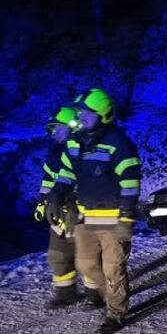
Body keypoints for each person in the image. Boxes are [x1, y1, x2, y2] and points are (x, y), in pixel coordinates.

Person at [46, 88, 141, 332]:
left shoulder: (118, 143)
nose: (81, 118)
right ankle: (110, 294)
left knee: (113, 268)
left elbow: (130, 183)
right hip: (87, 217)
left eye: (87, 114)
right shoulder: (76, 143)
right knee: (86, 264)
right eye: (80, 114)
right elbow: (66, 174)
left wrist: (126, 217)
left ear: (104, 115)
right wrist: (55, 196)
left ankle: (115, 314)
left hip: (114, 218)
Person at [35, 107, 80, 308]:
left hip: (81, 211)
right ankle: (66, 294)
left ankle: (97, 294)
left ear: (71, 128)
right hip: (58, 211)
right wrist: (42, 202)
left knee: (90, 256)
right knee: (57, 254)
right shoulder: (54, 153)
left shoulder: (83, 149)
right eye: (52, 129)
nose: (54, 133)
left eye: (57, 128)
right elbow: (47, 180)